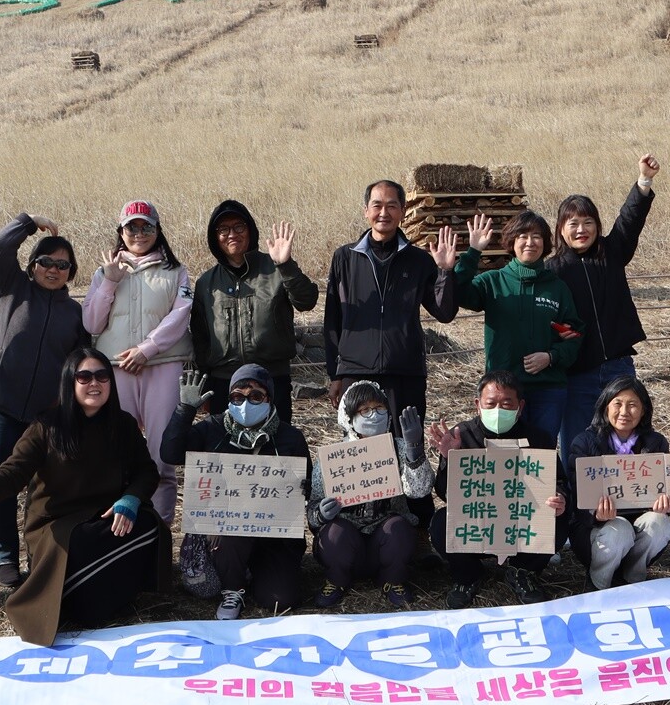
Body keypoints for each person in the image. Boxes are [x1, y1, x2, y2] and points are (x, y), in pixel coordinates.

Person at [0, 349, 166, 646]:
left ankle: (100, 596)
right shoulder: (46, 426)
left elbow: (146, 472)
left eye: (101, 376)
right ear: (70, 382)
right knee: (84, 542)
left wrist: (131, 498)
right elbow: (13, 471)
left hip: (103, 516)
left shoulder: (122, 424)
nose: (94, 383)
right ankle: (72, 600)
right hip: (56, 524)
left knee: (149, 524)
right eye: (84, 376)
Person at [0, 211, 87, 587]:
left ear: (70, 273)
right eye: (45, 262)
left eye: (62, 265)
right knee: (3, 481)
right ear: (32, 265)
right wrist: (27, 222)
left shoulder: (75, 313)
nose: (53, 270)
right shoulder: (12, 288)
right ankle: (4, 557)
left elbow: (78, 364)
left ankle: (40, 554)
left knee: (44, 488)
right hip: (3, 404)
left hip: (47, 414)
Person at [163, 364, 312, 620]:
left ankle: (256, 571)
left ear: (269, 399)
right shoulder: (212, 428)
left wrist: (301, 487)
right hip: (226, 531)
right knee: (231, 529)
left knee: (280, 599)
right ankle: (233, 588)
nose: (245, 403)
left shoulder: (290, 437)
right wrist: (185, 410)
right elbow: (171, 453)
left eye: (255, 396)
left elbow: (306, 484)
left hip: (273, 535)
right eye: (237, 396)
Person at [83, 200, 191, 524]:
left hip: (163, 366)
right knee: (118, 454)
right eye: (132, 226)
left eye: (147, 226)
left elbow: (181, 314)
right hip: (116, 371)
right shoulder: (104, 273)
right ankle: (120, 530)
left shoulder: (176, 271)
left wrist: (147, 348)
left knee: (162, 454)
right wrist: (110, 282)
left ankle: (158, 530)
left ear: (158, 231)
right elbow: (91, 323)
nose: (139, 233)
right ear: (121, 231)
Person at [548, 153, 660, 456]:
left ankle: (627, 500)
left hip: (618, 365)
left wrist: (643, 181)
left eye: (588, 222)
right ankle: (577, 503)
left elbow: (629, 219)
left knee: (624, 437)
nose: (581, 229)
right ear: (560, 229)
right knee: (575, 441)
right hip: (575, 371)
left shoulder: (611, 253)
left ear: (597, 226)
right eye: (573, 223)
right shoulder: (552, 271)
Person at [428, 370, 567, 607]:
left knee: (560, 518)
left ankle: (523, 571)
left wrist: (560, 498)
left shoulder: (539, 438)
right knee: (441, 523)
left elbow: (560, 481)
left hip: (521, 520)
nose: (498, 411)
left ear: (520, 406)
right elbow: (444, 494)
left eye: (506, 404)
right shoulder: (462, 436)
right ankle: (468, 574)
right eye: (491, 404)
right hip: (478, 521)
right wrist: (449, 459)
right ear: (478, 405)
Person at [323, 179, 458, 420]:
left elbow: (444, 313)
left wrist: (445, 272)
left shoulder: (419, 260)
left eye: (392, 206)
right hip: (356, 371)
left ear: (403, 212)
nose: (383, 213)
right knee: (360, 448)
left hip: (405, 372)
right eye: (377, 206)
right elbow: (332, 319)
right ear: (366, 211)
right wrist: (335, 374)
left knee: (405, 445)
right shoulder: (344, 258)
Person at [454, 211, 583, 442]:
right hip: (503, 393)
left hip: (548, 390)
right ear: (512, 242)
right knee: (503, 455)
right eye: (523, 236)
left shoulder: (557, 288)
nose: (530, 242)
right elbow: (458, 294)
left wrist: (551, 357)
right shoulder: (493, 282)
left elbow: (574, 336)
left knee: (540, 457)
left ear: (545, 244)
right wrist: (473, 252)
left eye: (536, 236)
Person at [307, 380, 433, 609]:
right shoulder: (334, 457)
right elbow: (313, 505)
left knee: (399, 529)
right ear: (350, 417)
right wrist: (320, 514)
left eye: (379, 408)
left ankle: (392, 579)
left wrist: (414, 452)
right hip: (348, 539)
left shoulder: (400, 447)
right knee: (334, 535)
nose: (374, 416)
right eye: (364, 410)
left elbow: (419, 491)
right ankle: (337, 579)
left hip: (385, 538)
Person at [191, 200, 318, 422]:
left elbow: (306, 301)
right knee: (227, 451)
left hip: (272, 378)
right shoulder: (207, 283)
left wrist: (285, 265)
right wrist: (205, 387)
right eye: (223, 229)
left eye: (239, 227)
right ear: (215, 237)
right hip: (225, 383)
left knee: (274, 447)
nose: (232, 234)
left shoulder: (275, 268)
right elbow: (201, 339)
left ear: (250, 230)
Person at [565, 376, 670, 589]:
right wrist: (594, 514)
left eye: (633, 405)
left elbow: (668, 486)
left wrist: (666, 506)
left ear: (643, 410)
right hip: (597, 531)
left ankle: (632, 580)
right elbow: (576, 496)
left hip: (639, 523)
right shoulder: (584, 443)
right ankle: (598, 584)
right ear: (605, 407)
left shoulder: (656, 443)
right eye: (617, 403)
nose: (624, 412)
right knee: (620, 529)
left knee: (660, 523)